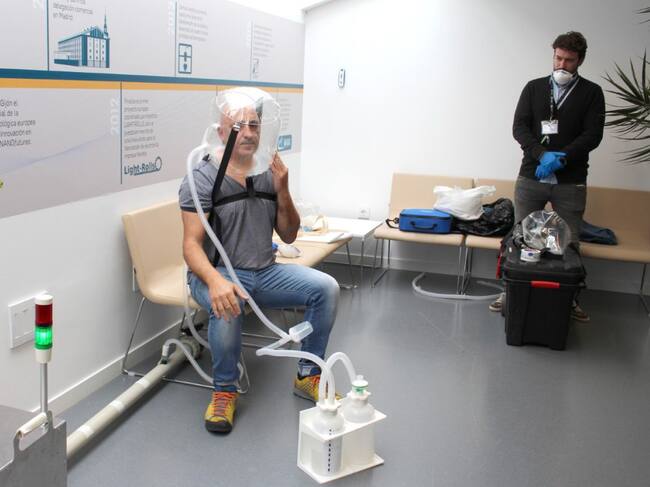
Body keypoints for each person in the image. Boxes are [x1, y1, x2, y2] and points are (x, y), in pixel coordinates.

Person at [178, 95, 340, 434]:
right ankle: (224, 390)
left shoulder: (269, 172)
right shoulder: (202, 177)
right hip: (216, 272)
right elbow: (191, 245)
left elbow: (289, 234)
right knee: (228, 302)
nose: (249, 133)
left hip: (265, 272)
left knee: (326, 288)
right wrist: (215, 281)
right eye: (239, 126)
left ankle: (308, 375)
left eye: (254, 125)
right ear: (221, 132)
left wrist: (283, 190)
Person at [490, 31, 605, 321]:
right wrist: (542, 156)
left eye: (569, 60)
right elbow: (519, 127)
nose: (562, 65)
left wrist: (561, 157)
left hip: (570, 181)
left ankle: (569, 297)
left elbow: (592, 135)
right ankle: (511, 291)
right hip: (532, 176)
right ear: (553, 55)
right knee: (521, 237)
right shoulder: (533, 88)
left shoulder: (592, 93)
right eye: (558, 58)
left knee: (569, 241)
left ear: (580, 61)